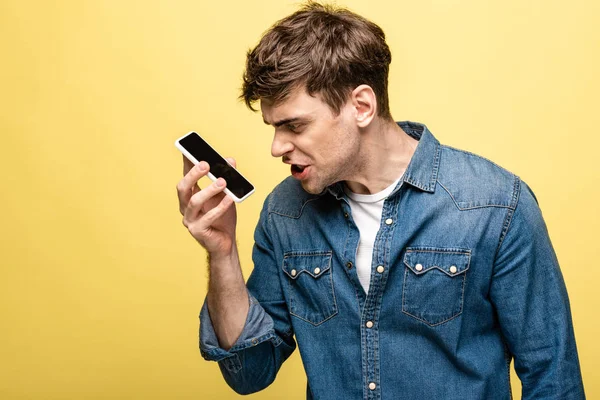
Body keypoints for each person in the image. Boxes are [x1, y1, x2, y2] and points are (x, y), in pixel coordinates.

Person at [176, 2, 585, 399]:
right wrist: (222, 253)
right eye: (273, 127)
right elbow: (249, 373)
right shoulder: (286, 212)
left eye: (294, 125)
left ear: (362, 106)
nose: (277, 147)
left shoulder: (496, 205)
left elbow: (553, 376)